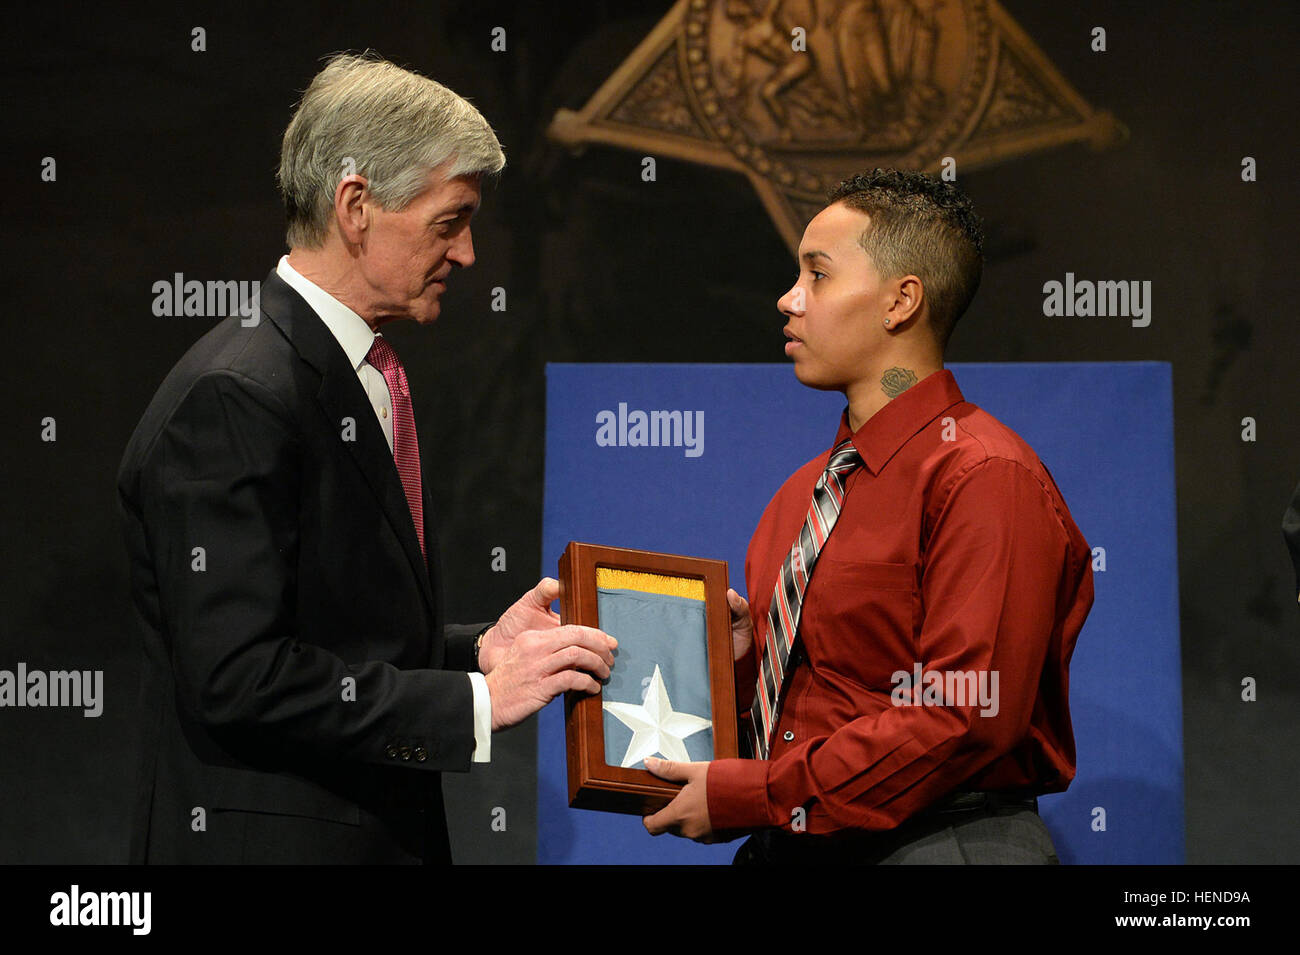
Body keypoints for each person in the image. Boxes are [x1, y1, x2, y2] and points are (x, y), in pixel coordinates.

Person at [116, 52, 616, 864]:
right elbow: (241, 676)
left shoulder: (352, 370)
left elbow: (336, 633)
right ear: (356, 206)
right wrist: (477, 702)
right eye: (449, 221)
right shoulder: (235, 396)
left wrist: (477, 647)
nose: (468, 255)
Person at [643, 168, 1094, 863]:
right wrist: (746, 668)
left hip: (938, 844)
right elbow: (822, 709)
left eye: (817, 275)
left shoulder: (983, 475)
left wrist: (757, 793)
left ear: (900, 301)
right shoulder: (803, 495)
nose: (788, 299)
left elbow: (963, 717)